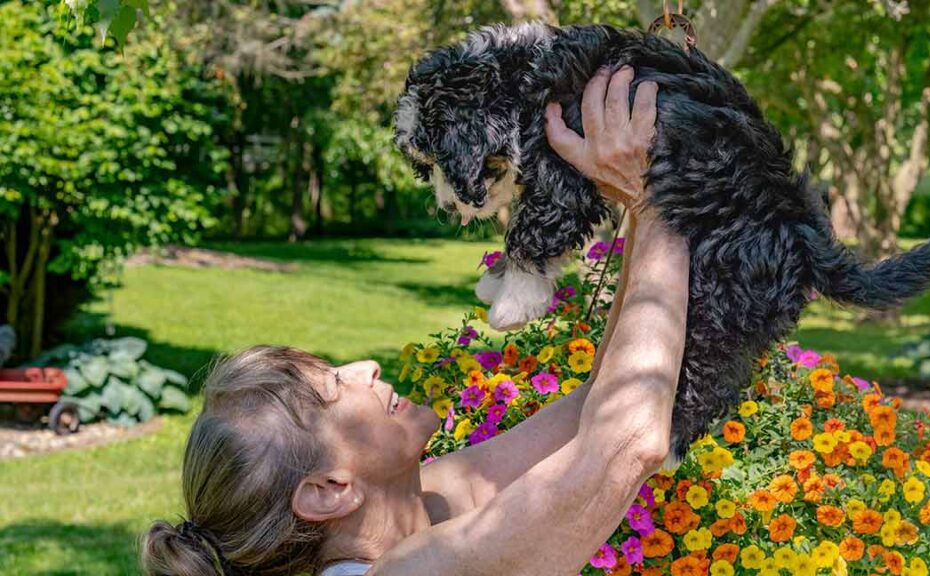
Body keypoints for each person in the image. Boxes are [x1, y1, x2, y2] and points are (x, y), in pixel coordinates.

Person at [142, 66, 691, 576]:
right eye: (335, 386)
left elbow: (599, 403)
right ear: (329, 490)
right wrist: (657, 191)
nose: (366, 366)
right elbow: (628, 440)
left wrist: (639, 193)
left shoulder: (414, 505)